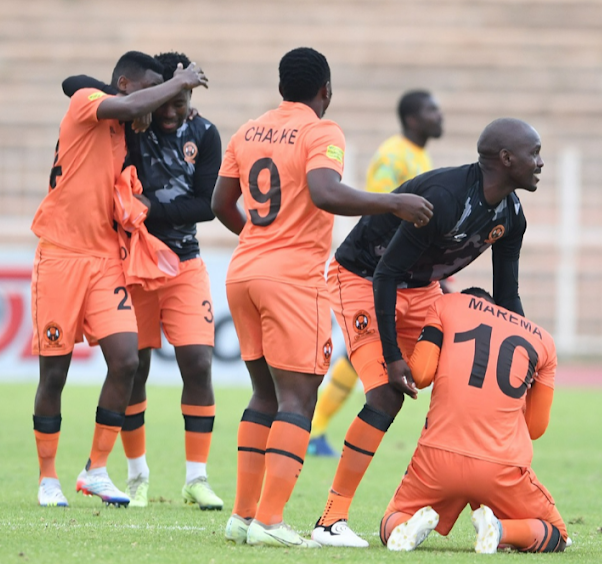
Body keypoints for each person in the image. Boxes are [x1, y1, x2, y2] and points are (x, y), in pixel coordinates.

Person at [211, 46, 433, 548]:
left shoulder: (248, 129)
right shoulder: (321, 130)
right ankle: (269, 520)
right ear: (325, 90)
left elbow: (220, 202)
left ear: (281, 86)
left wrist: (258, 240)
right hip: (292, 279)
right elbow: (324, 192)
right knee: (297, 398)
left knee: (264, 394)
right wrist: (393, 202)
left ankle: (243, 518)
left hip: (243, 272)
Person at [311, 117, 544, 547]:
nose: (540, 163)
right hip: (362, 278)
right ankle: (330, 520)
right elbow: (386, 274)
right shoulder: (446, 197)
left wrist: (527, 355)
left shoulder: (512, 215)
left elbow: (507, 296)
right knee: (385, 395)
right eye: (534, 153)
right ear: (507, 159)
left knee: (471, 380)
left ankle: (476, 501)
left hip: (421, 290)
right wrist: (393, 355)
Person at [31, 51, 208, 508]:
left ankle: (95, 469)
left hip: (107, 258)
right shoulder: (90, 102)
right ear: (126, 85)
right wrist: (181, 80)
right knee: (55, 373)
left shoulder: (130, 124)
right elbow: (77, 82)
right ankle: (47, 477)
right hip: (61, 257)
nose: (154, 103)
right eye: (148, 90)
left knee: (128, 362)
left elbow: (139, 109)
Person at [381, 287, 568, 553]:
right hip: (500, 465)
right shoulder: (542, 340)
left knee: (390, 523)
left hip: (437, 458)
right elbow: (535, 428)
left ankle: (407, 528)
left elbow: (421, 375)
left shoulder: (446, 306)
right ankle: (500, 529)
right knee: (557, 534)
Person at [309, 90, 444, 458]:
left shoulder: (418, 155)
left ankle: (315, 428)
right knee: (363, 357)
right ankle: (313, 428)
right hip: (376, 272)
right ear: (413, 119)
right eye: (432, 109)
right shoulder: (393, 155)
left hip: (405, 273)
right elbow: (386, 213)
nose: (440, 115)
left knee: (358, 360)